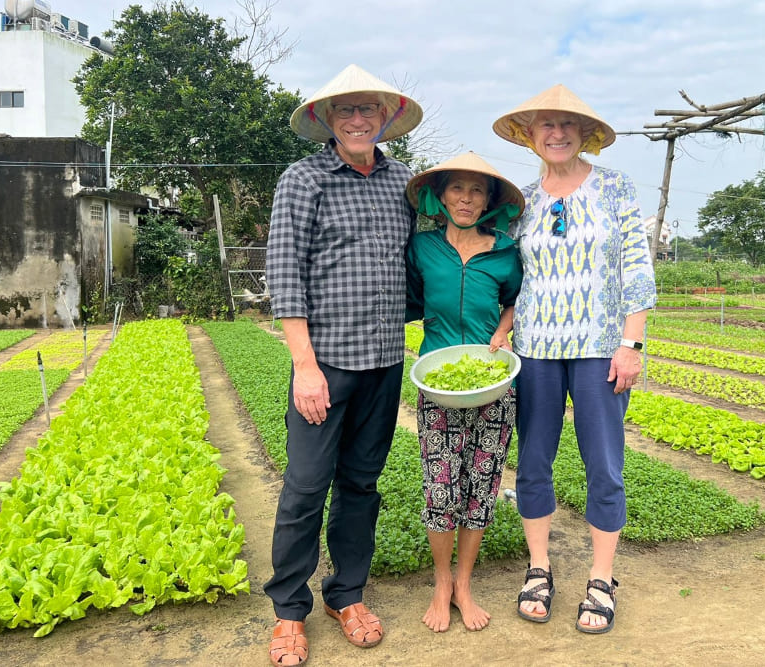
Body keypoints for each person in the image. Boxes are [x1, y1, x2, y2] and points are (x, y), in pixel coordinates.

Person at [263, 64, 423, 667]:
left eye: (369, 111)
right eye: (345, 111)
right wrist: (304, 366)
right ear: (328, 120)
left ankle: (346, 595)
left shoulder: (403, 182)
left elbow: (429, 255)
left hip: (384, 363)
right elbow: (285, 276)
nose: (358, 120)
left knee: (361, 484)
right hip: (324, 366)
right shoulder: (304, 179)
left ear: (385, 119)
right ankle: (288, 611)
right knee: (305, 487)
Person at [491, 84, 656, 634]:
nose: (556, 133)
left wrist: (632, 344)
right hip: (536, 349)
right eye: (545, 125)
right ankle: (539, 568)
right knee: (533, 462)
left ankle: (602, 578)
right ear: (531, 136)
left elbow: (636, 265)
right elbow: (514, 277)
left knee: (604, 465)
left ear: (585, 134)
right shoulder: (521, 199)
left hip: (600, 349)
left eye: (567, 125)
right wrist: (501, 331)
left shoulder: (614, 187)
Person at [404, 152, 525, 633]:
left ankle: (464, 584)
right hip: (438, 384)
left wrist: (504, 328)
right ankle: (440, 583)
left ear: (490, 201)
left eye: (477, 191)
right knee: (441, 486)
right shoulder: (422, 248)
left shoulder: (505, 252)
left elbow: (516, 300)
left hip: (492, 382)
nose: (467, 199)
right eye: (458, 188)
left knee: (481, 488)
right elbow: (408, 297)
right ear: (441, 195)